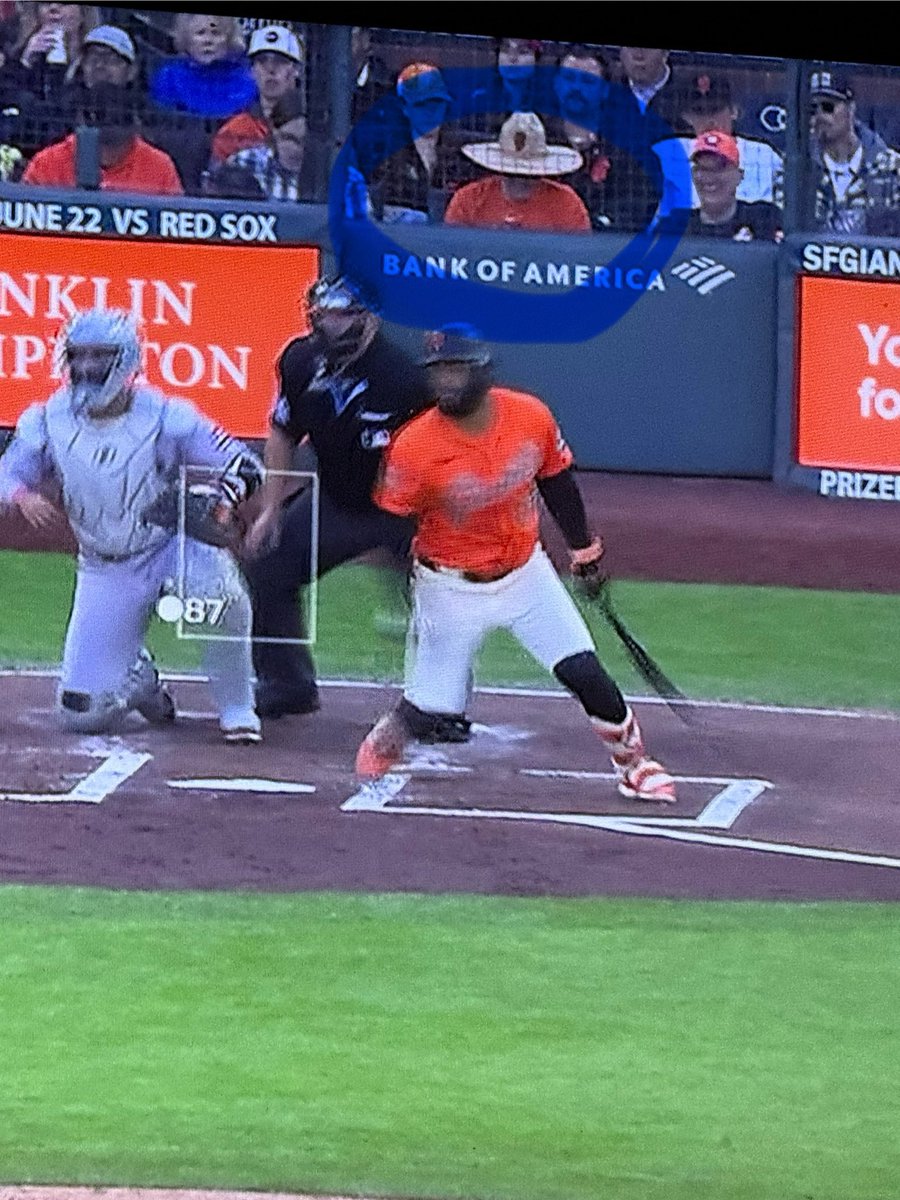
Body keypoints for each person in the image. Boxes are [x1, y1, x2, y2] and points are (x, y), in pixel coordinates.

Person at [354, 324, 676, 804]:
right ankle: (386, 737)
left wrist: (583, 550)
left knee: (584, 671)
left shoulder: (529, 416)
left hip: (526, 572)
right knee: (431, 709)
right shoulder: (415, 446)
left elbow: (557, 480)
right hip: (449, 586)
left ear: (482, 369)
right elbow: (393, 525)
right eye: (438, 372)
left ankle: (633, 764)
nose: (445, 382)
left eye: (456, 370)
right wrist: (407, 595)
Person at [0, 308, 264, 744]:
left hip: (173, 544)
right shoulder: (47, 419)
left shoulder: (167, 417)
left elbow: (244, 464)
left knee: (221, 596)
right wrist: (21, 495)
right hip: (105, 564)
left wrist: (222, 500)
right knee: (81, 712)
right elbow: (8, 473)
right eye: (79, 355)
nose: (87, 367)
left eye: (99, 356)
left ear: (125, 359)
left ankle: (238, 707)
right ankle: (140, 678)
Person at [241, 275, 443, 723]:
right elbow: (283, 431)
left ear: (367, 319)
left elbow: (439, 455)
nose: (329, 325)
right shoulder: (299, 361)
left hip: (407, 505)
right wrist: (271, 508)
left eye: (341, 316)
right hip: (338, 499)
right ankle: (287, 684)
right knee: (269, 561)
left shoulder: (404, 380)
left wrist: (422, 533)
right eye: (324, 315)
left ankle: (440, 702)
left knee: (442, 597)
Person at [21, 82, 184, 194]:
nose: (109, 126)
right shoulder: (47, 163)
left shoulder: (160, 166)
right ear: (81, 121)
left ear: (135, 126)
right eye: (100, 119)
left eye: (118, 120)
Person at [444, 111, 590, 232]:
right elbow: (452, 251)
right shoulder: (467, 200)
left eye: (528, 175)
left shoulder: (567, 203)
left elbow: (580, 254)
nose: (520, 181)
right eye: (512, 174)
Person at [798, 69, 900, 235]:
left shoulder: (891, 167)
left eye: (828, 107)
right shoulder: (797, 169)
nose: (820, 116)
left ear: (851, 109)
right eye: (812, 109)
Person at [672, 73, 783, 207]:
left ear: (733, 111)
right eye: (700, 111)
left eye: (716, 110)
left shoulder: (763, 154)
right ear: (687, 117)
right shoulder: (672, 152)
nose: (710, 120)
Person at [209, 24, 304, 165]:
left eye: (280, 61)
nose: (271, 69)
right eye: (262, 61)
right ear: (252, 71)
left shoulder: (310, 126)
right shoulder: (234, 131)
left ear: (296, 70)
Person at [675, 130, 782, 240]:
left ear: (739, 175)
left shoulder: (765, 218)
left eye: (718, 168)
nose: (709, 177)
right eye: (702, 169)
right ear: (693, 174)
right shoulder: (678, 226)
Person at [149, 12, 256, 120]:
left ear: (229, 39)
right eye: (200, 33)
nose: (208, 40)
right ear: (186, 38)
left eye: (216, 33)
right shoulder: (170, 79)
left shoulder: (249, 80)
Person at [222, 89, 314, 202]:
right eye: (288, 138)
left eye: (304, 141)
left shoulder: (324, 176)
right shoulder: (244, 162)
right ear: (273, 132)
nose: (296, 149)